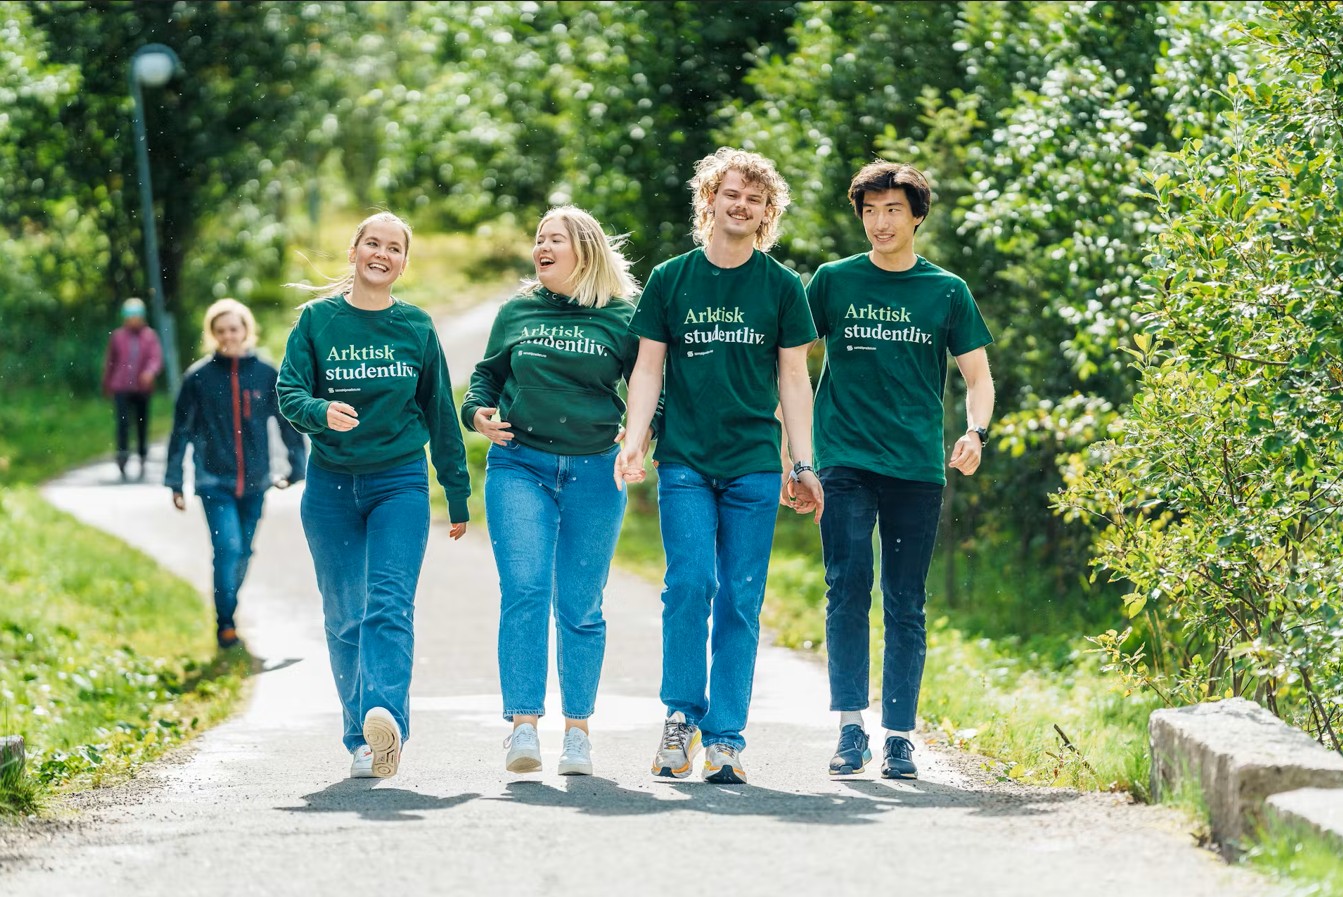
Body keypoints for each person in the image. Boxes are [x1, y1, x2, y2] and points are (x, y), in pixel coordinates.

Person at [614, 147, 824, 785]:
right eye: (731, 194)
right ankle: (681, 717)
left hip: (754, 465)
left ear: (767, 212)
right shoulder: (671, 279)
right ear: (709, 199)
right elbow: (648, 368)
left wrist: (802, 461)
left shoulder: (781, 286)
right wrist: (634, 439)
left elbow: (794, 379)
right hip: (685, 460)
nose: (742, 205)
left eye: (755, 199)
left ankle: (727, 738)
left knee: (740, 596)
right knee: (689, 583)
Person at [806, 161, 994, 780]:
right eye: (869, 211)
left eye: (892, 210)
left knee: (905, 600)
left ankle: (898, 737)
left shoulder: (946, 291)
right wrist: (793, 450)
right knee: (846, 587)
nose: (880, 222)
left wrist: (975, 431)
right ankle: (850, 728)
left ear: (917, 216)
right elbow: (790, 361)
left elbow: (978, 377)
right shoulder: (833, 281)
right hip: (843, 459)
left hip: (916, 464)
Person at [277, 211, 472, 780]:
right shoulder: (317, 321)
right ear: (354, 251)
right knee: (344, 617)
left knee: (388, 605)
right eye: (372, 243)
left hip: (399, 483)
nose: (382, 254)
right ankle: (360, 739)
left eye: (394, 248)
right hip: (330, 487)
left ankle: (384, 718)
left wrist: (456, 492)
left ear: (403, 263)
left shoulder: (416, 326)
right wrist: (320, 411)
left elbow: (439, 413)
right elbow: (288, 391)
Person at [462, 206, 650, 777]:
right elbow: (486, 377)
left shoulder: (622, 316)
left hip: (596, 472)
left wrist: (639, 435)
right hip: (520, 464)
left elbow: (652, 385)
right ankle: (523, 726)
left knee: (580, 604)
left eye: (555, 239)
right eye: (539, 239)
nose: (541, 247)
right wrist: (477, 413)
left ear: (584, 249)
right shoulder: (518, 311)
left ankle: (577, 733)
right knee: (524, 590)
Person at [165, 299, 307, 649]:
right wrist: (175, 480)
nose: (228, 336)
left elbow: (287, 422)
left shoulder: (266, 374)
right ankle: (225, 623)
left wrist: (297, 465)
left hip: (257, 481)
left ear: (246, 330)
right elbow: (180, 431)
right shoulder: (198, 378)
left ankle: (228, 609)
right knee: (228, 548)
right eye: (221, 330)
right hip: (213, 481)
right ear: (212, 334)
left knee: (244, 551)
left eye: (234, 329)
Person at [102, 297, 163, 480]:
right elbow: (110, 361)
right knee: (122, 423)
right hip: (121, 387)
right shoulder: (118, 336)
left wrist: (150, 372)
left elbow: (155, 358)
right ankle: (122, 455)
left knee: (142, 422)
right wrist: (107, 383)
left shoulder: (149, 336)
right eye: (130, 316)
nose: (134, 320)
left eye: (137, 316)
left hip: (142, 389)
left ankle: (142, 454)